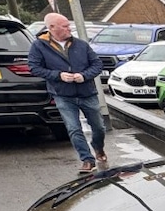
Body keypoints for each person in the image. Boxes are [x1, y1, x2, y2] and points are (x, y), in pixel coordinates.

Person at [28, 12, 108, 173]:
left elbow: (97, 64)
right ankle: (87, 159)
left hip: (87, 93)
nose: (69, 28)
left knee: (99, 127)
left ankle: (98, 147)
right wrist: (58, 75)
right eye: (65, 26)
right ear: (51, 28)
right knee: (73, 128)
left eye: (68, 25)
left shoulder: (81, 44)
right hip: (63, 95)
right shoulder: (39, 46)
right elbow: (34, 67)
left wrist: (83, 76)